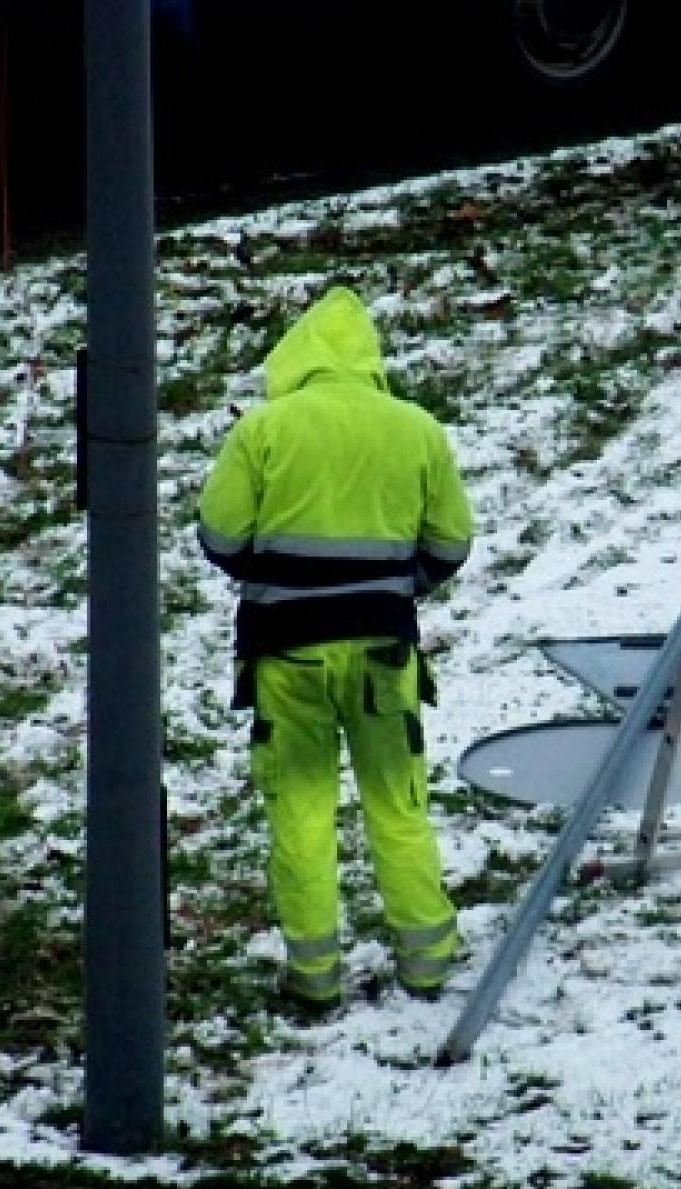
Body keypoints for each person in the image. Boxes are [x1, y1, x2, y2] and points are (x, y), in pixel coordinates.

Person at [197, 285, 474, 1014]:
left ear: (298, 356)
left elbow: (219, 537)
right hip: (385, 651)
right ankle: (427, 962)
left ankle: (313, 975)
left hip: (287, 655)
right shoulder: (417, 430)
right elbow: (452, 543)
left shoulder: (264, 429)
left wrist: (281, 580)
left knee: (302, 807)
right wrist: (391, 588)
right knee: (398, 801)